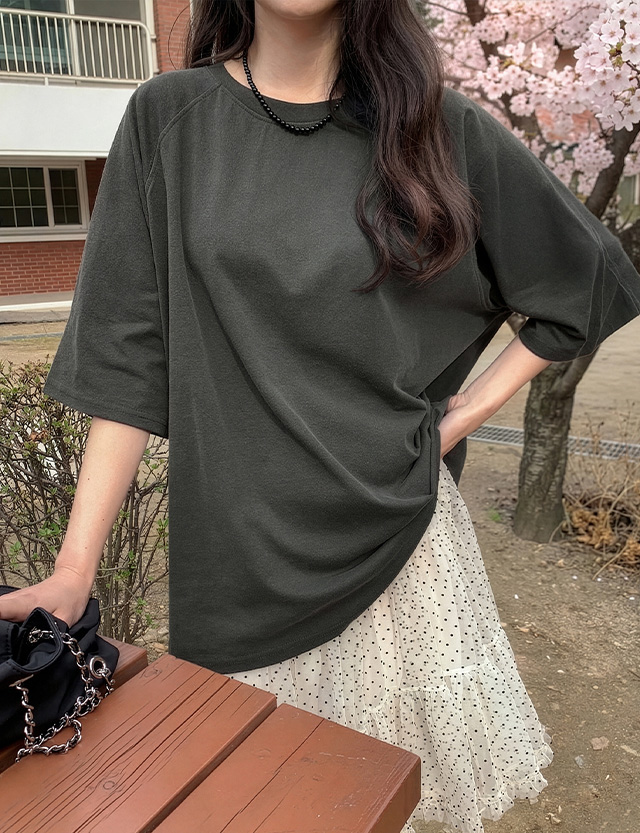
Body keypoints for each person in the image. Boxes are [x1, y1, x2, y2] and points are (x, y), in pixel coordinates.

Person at [3, 1, 640, 831]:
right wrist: (74, 568)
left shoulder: (435, 127)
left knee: (377, 807)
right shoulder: (170, 117)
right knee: (256, 809)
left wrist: (461, 415)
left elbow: (586, 279)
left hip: (399, 546)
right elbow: (125, 359)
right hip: (237, 562)